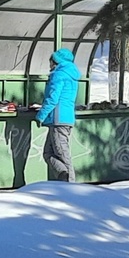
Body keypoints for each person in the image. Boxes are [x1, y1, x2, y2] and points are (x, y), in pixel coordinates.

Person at [37, 46, 81, 180]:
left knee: (62, 154)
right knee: (48, 153)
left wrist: (41, 115)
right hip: (65, 118)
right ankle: (63, 174)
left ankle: (70, 185)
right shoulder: (72, 75)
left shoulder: (58, 75)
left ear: (56, 61)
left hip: (57, 119)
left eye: (50, 61)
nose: (49, 64)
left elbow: (53, 98)